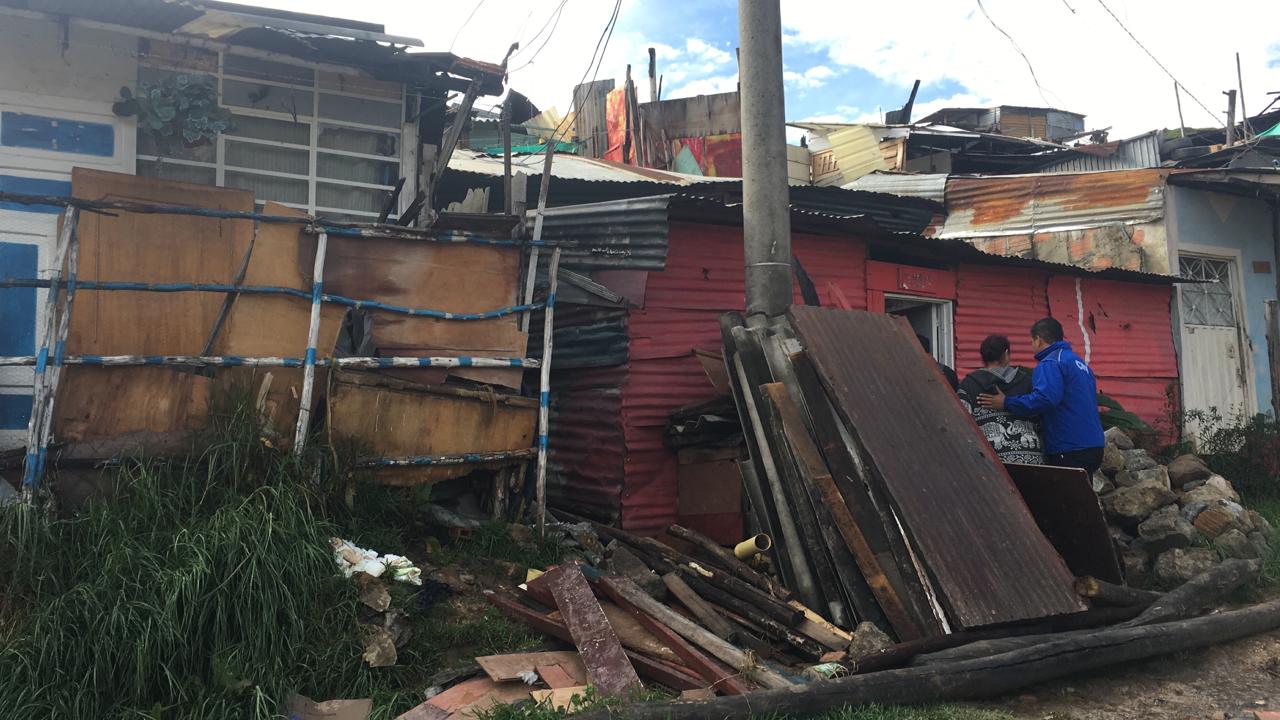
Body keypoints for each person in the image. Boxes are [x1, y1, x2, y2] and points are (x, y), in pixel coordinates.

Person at [978, 317, 1105, 474]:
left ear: (1038, 340)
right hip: (1093, 444)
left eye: (1032, 341)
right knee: (1083, 495)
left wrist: (1007, 402)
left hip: (1069, 446)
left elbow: (1045, 399)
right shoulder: (1078, 362)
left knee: (1066, 496)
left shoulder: (1050, 363)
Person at [959, 335, 1043, 465]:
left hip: (990, 461)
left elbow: (963, 422)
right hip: (1030, 459)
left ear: (983, 357)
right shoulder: (1027, 381)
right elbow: (1040, 415)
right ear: (1006, 354)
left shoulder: (969, 383)